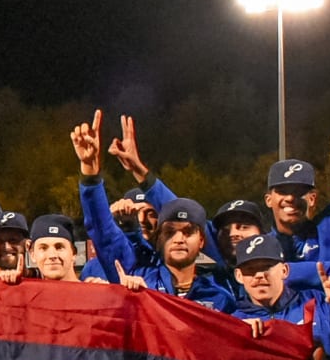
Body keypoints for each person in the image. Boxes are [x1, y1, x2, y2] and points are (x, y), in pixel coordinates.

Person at [72, 111, 234, 312]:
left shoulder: (222, 298)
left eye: (188, 231)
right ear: (159, 239)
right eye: (170, 231)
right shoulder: (138, 280)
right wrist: (90, 174)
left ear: (202, 240)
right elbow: (103, 233)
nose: (179, 238)